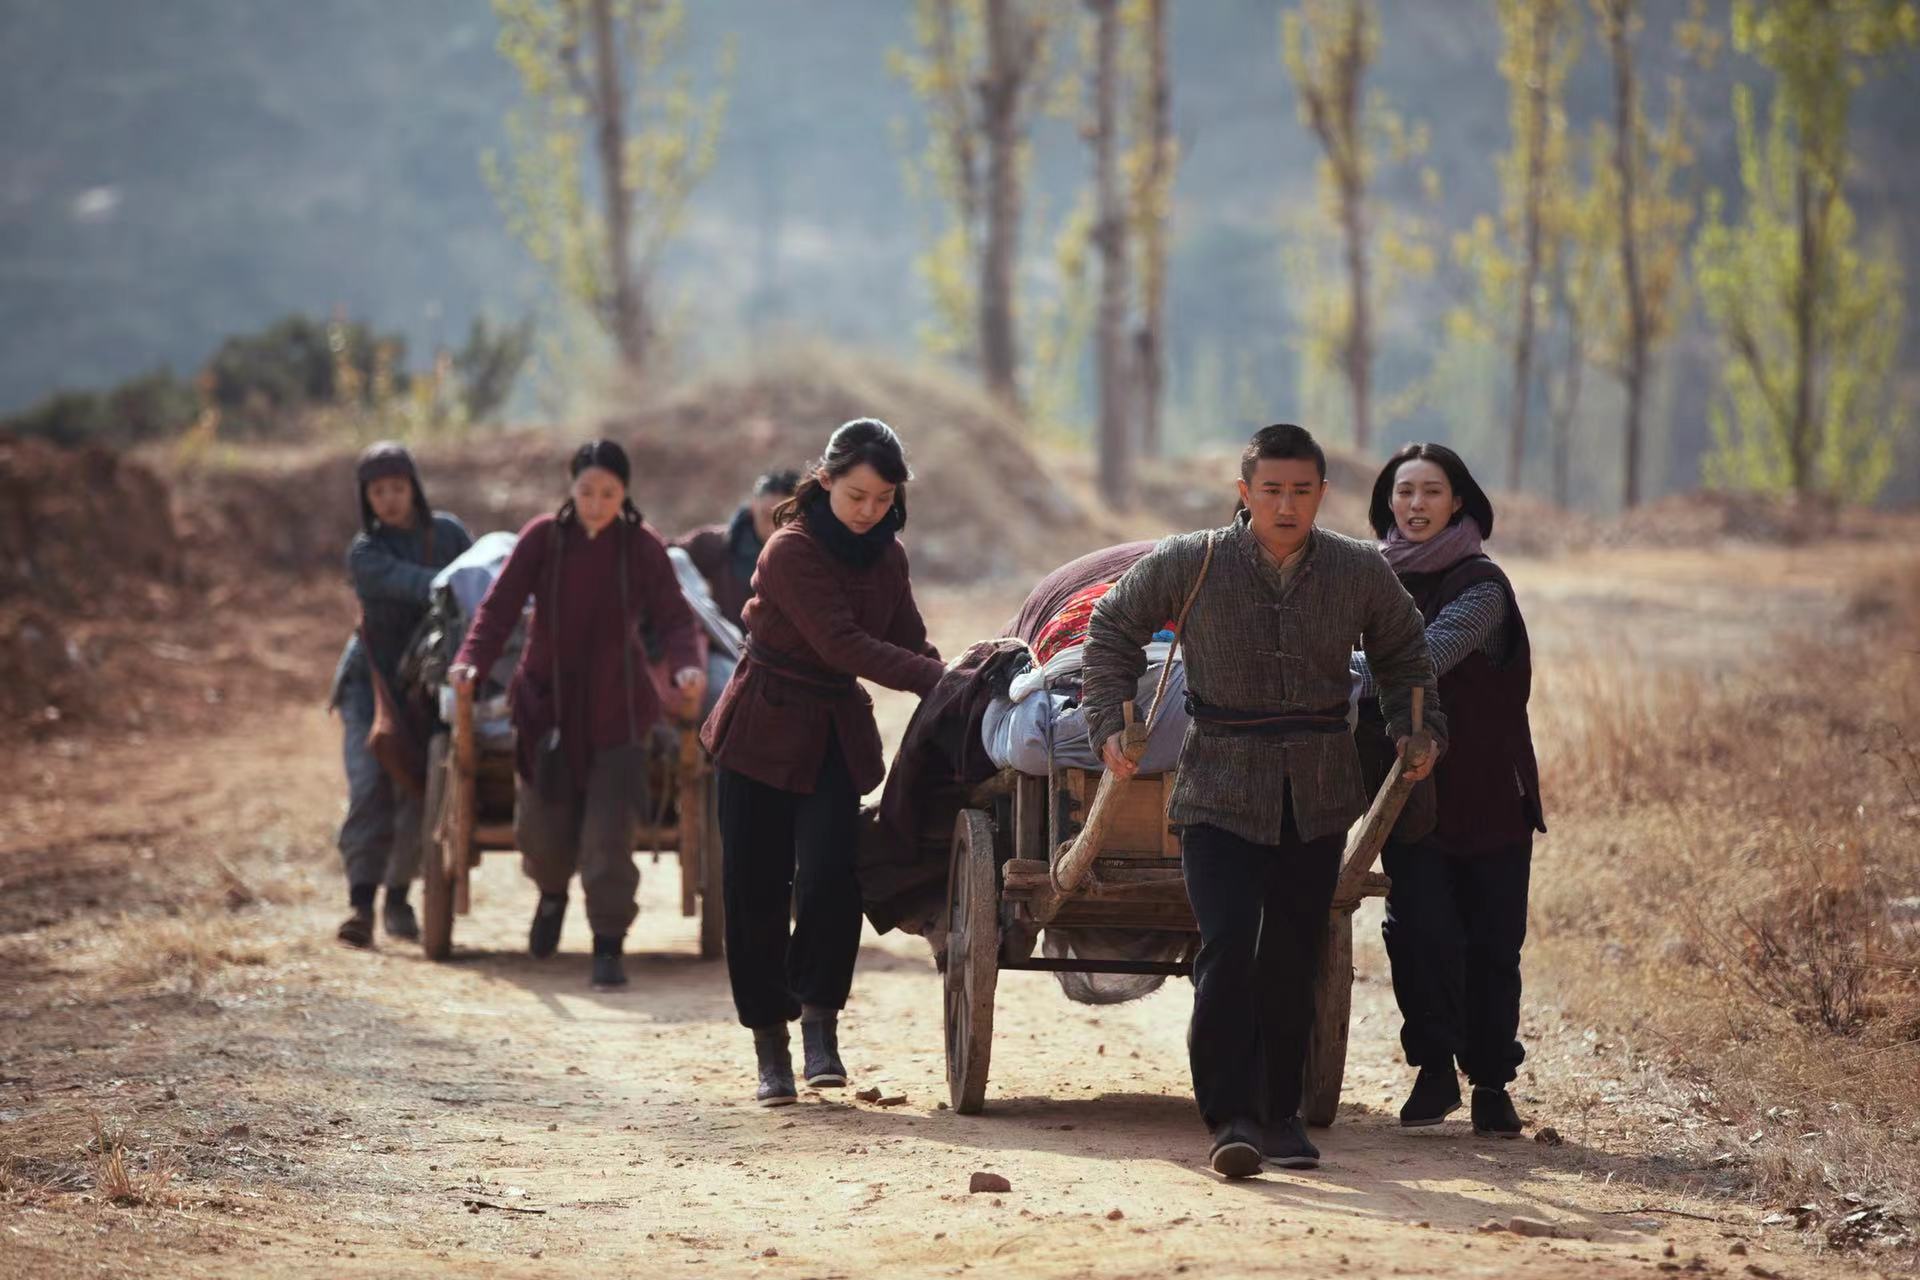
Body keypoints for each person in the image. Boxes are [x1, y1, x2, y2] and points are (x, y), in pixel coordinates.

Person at [1081, 423, 1446, 1178]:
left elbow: (1404, 652)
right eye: (1271, 490)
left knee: (1292, 952)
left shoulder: (1357, 569)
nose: (1286, 506)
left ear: (1322, 494)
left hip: (1317, 790)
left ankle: (1281, 1114)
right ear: (1244, 493)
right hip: (1217, 786)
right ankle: (1230, 1117)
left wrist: (1417, 728)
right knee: (1227, 949)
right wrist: (1111, 718)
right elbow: (1111, 625)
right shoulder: (1193, 560)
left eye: (1301, 491)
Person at [701, 419, 944, 1107]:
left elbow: (908, 638)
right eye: (856, 496)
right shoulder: (790, 549)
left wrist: (961, 680)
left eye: (883, 499)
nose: (869, 511)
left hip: (834, 735)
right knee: (754, 889)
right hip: (760, 729)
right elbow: (843, 645)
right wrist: (936, 679)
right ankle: (770, 1049)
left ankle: (820, 1028)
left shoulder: (889, 555)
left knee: (834, 878)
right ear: (827, 480)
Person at [448, 440, 705, 990]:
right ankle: (551, 895)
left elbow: (675, 617)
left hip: (619, 708)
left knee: (610, 834)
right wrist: (471, 661)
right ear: (571, 488)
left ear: (624, 493)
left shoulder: (641, 546)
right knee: (542, 828)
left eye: (608, 493)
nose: (596, 503)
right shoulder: (543, 538)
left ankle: (608, 943)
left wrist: (687, 665)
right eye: (587, 491)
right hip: (548, 706)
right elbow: (498, 607)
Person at [1352, 442, 1545, 1138]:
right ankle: (1433, 1070)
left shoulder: (1481, 585)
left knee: (1493, 944)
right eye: (1404, 491)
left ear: (1458, 500)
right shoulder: (1367, 580)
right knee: (1418, 933)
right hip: (1413, 793)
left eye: (1431, 491)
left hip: (1491, 794)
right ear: (1388, 501)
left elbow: (1425, 657)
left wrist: (1334, 668)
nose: (1416, 504)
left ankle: (1491, 1083)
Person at [328, 442, 473, 949]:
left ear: (414, 488)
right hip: (371, 685)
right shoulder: (365, 553)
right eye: (378, 492)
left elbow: (478, 586)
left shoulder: (449, 533)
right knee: (370, 785)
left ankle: (398, 898)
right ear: (366, 499)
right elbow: (428, 586)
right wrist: (459, 583)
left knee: (419, 788)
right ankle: (360, 905)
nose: (389, 499)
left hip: (430, 685)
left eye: (397, 487)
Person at [674, 470, 802, 628]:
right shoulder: (717, 545)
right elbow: (664, 557)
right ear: (753, 507)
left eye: (784, 518)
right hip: (725, 639)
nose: (773, 527)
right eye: (766, 516)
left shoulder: (808, 557)